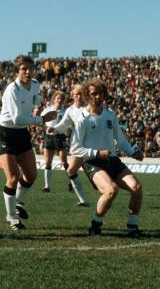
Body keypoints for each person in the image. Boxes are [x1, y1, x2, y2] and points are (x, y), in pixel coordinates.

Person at [70, 79, 144, 237]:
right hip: (92, 162)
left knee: (136, 188)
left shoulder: (110, 115)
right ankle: (95, 225)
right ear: (86, 96)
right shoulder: (82, 118)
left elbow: (121, 140)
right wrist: (96, 153)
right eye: (93, 94)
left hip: (112, 160)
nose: (98, 97)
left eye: (101, 93)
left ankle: (133, 226)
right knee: (111, 190)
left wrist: (132, 152)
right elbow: (75, 148)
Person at [0, 55, 57, 231]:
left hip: (21, 133)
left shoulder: (35, 84)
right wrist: (41, 119)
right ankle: (12, 217)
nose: (27, 71)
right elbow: (17, 118)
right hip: (4, 133)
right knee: (12, 177)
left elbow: (34, 101)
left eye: (29, 68)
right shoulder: (11, 89)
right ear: (17, 71)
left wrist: (37, 107)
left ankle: (17, 202)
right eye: (23, 69)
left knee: (31, 175)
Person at [48, 84, 89, 206]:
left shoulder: (88, 108)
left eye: (80, 94)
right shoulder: (70, 110)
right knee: (71, 170)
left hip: (92, 144)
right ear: (72, 96)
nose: (78, 96)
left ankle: (105, 187)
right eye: (76, 94)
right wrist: (54, 129)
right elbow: (63, 125)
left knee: (95, 171)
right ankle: (83, 200)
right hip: (77, 144)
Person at [40, 91, 67, 193]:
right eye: (58, 98)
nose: (59, 100)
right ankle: (47, 186)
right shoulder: (48, 110)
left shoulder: (65, 112)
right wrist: (46, 127)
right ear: (54, 99)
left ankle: (71, 181)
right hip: (49, 137)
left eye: (61, 99)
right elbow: (41, 121)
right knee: (47, 162)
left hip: (60, 137)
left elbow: (67, 126)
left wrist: (55, 128)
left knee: (64, 162)